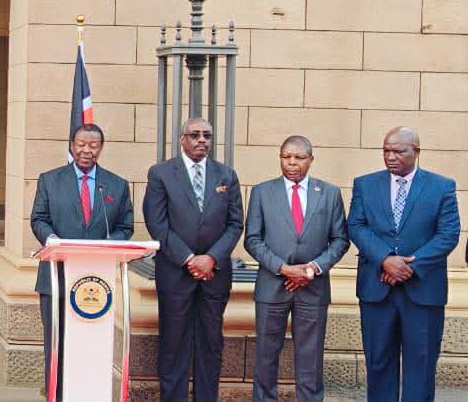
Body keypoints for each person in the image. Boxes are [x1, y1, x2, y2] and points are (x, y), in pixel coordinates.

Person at [348, 126, 459, 402]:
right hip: (377, 290)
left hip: (423, 292)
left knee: (421, 366)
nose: (391, 157)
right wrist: (385, 259)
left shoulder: (442, 187)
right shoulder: (365, 184)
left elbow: (448, 234)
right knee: (378, 363)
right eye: (386, 151)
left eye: (398, 151)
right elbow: (356, 225)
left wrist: (409, 267)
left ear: (416, 152)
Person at [142, 117, 243, 402]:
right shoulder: (161, 174)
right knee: (173, 346)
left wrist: (211, 258)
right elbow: (157, 224)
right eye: (195, 135)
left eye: (207, 135)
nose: (202, 140)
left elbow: (235, 224)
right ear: (182, 139)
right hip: (175, 274)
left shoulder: (226, 175)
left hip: (214, 276)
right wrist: (189, 259)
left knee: (211, 345)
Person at [30, 123, 134, 399]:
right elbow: (39, 219)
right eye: (81, 144)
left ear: (101, 148)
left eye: (93, 145)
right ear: (72, 145)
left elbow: (125, 227)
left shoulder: (116, 185)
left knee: (92, 346)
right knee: (57, 348)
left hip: (98, 284)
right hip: (56, 279)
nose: (87, 150)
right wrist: (52, 239)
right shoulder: (50, 180)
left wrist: (109, 244)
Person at [243, 136, 349, 401]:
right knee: (266, 356)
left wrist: (313, 268)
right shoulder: (262, 192)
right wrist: (283, 269)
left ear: (311, 160)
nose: (292, 163)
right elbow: (252, 239)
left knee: (311, 359)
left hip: (313, 287)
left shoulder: (329, 193)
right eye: (286, 157)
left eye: (299, 157)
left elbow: (340, 240)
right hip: (272, 286)